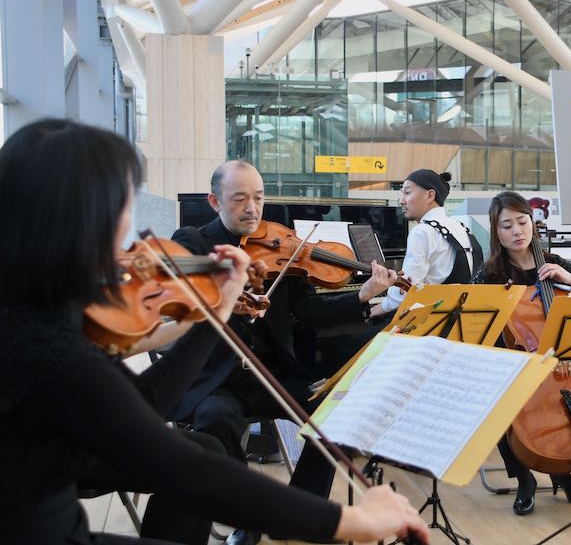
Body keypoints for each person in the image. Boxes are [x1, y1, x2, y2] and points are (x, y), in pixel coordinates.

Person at [0, 119, 428, 545]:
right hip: (208, 390)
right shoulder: (50, 344)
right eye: (123, 208)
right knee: (209, 436)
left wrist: (217, 313)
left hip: (265, 374)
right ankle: (262, 522)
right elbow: (178, 460)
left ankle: (281, 515)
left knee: (259, 433)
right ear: (82, 220)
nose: (130, 244)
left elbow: (142, 405)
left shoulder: (36, 315)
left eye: (258, 197)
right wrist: (349, 521)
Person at [168, 160, 399, 545]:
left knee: (336, 414)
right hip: (217, 381)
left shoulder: (280, 249)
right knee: (215, 422)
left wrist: (364, 294)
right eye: (239, 198)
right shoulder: (193, 241)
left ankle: (298, 512)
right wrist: (230, 283)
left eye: (258, 197)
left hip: (273, 374)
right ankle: (249, 516)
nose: (251, 208)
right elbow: (186, 286)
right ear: (214, 201)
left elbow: (309, 311)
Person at [472, 191, 571, 516]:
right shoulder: (491, 274)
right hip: (512, 362)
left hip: (565, 358)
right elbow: (475, 322)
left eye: (522, 221)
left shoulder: (554, 263)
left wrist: (570, 279)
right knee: (497, 404)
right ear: (496, 232)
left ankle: (565, 472)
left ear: (533, 223)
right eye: (507, 225)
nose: (517, 230)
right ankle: (523, 478)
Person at [370, 170, 483, 318]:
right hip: (465, 321)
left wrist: (371, 312)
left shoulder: (422, 231)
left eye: (407, 193)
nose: (401, 201)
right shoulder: (462, 228)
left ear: (430, 195)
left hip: (430, 325)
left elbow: (404, 294)